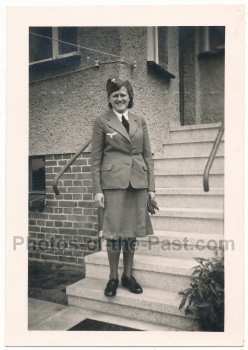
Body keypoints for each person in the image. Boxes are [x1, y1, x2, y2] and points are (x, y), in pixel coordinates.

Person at [91, 77, 155, 297]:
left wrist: (152, 188)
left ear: (129, 98)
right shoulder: (102, 121)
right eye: (115, 95)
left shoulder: (140, 121)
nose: (119, 98)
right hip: (112, 183)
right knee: (113, 233)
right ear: (109, 99)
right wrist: (97, 190)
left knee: (131, 232)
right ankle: (113, 278)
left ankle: (128, 276)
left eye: (123, 95)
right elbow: (95, 158)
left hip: (137, 181)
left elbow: (147, 155)